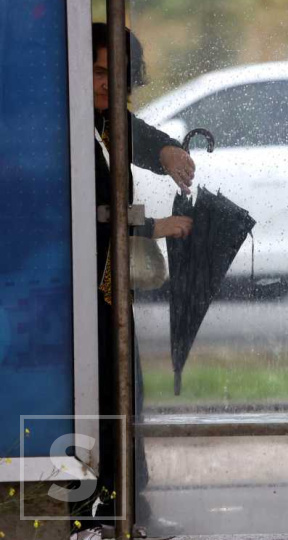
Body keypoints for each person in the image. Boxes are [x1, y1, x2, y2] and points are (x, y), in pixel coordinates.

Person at [87, 22, 193, 532]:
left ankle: (127, 499)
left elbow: (130, 132)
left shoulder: (105, 122)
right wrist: (154, 226)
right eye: (100, 72)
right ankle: (105, 507)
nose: (110, 86)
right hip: (79, 301)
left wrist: (167, 151)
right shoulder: (62, 128)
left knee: (125, 391)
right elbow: (87, 211)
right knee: (106, 392)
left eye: (121, 77)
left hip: (111, 291)